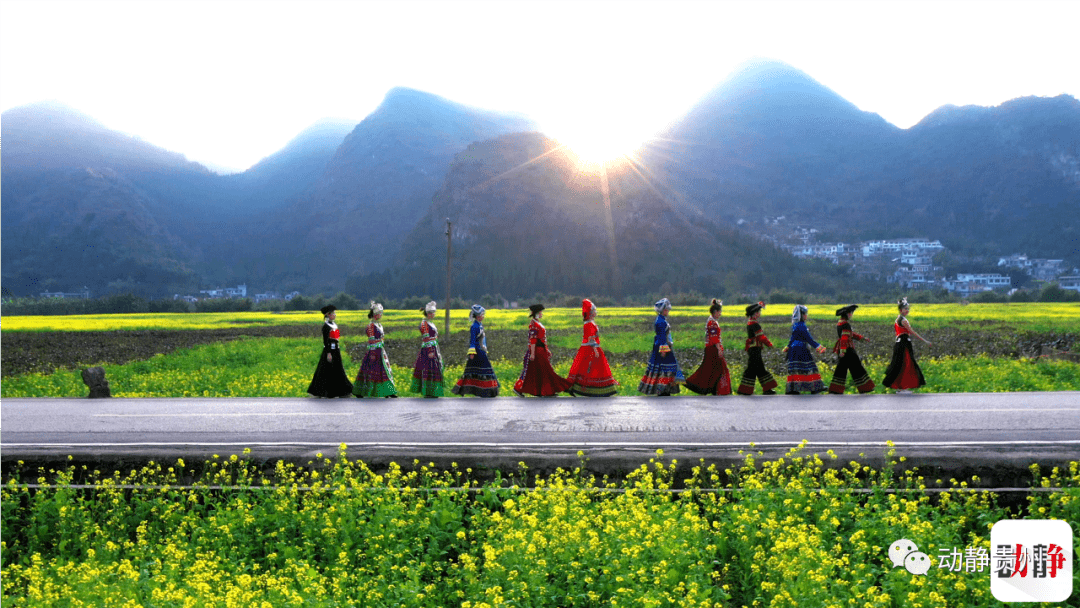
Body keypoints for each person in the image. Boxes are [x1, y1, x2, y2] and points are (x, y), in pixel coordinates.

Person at [513, 304, 573, 397]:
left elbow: (542, 339)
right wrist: (532, 353)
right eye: (540, 312)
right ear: (536, 313)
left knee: (540, 372)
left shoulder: (538, 323)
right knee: (543, 371)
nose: (542, 314)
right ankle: (523, 388)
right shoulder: (533, 324)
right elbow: (533, 340)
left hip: (541, 350)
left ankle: (544, 391)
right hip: (537, 351)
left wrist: (546, 349)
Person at [565, 298, 619, 397]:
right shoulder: (589, 324)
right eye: (594, 311)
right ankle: (591, 389)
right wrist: (595, 350)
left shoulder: (591, 322)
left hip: (592, 347)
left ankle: (592, 389)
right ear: (590, 312)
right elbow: (591, 338)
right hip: (590, 349)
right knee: (589, 368)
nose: (595, 312)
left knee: (589, 368)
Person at [638, 298, 686, 395]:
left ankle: (664, 389)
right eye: (666, 310)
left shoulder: (662, 320)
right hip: (663, 348)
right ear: (662, 310)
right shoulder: (661, 322)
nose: (668, 311)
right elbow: (662, 337)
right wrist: (663, 350)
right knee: (665, 368)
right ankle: (663, 389)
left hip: (664, 346)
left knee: (664, 368)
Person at [883, 297, 931, 393]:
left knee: (902, 365)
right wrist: (925, 341)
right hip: (903, 344)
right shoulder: (903, 320)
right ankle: (903, 387)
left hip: (901, 343)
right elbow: (912, 332)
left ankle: (901, 387)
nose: (907, 310)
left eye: (908, 309)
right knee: (906, 365)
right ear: (901, 310)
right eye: (905, 309)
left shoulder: (899, 319)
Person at [685, 298, 732, 395]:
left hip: (712, 348)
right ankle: (720, 390)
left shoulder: (712, 321)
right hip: (713, 349)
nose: (720, 314)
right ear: (715, 312)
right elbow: (714, 338)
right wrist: (719, 349)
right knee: (719, 369)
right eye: (719, 312)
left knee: (710, 370)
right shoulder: (712, 323)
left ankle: (714, 389)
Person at [451, 305, 500, 397]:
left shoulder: (480, 325)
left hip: (482, 351)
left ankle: (483, 391)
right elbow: (472, 341)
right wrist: (472, 353)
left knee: (478, 371)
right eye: (482, 315)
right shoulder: (474, 326)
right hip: (478, 352)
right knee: (484, 371)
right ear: (478, 316)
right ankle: (486, 391)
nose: (483, 316)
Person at [307, 304, 354, 398]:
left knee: (339, 371)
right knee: (325, 372)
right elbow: (326, 341)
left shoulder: (334, 325)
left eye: (335, 313)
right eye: (333, 313)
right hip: (329, 351)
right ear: (328, 315)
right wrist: (329, 353)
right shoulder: (326, 327)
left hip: (336, 350)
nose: (335, 315)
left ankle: (344, 391)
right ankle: (322, 391)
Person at [353, 301, 398, 398]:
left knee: (384, 371)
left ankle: (388, 391)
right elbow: (371, 340)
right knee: (370, 372)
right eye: (379, 313)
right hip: (373, 351)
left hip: (380, 351)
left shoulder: (379, 325)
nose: (381, 315)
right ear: (375, 314)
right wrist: (373, 351)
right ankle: (362, 391)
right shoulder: (370, 326)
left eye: (381, 313)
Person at [828, 304, 876, 394]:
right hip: (848, 350)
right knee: (857, 368)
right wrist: (843, 351)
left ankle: (835, 390)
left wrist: (862, 338)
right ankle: (865, 388)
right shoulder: (846, 324)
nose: (851, 315)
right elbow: (845, 338)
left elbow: (850, 334)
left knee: (841, 370)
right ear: (847, 314)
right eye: (851, 313)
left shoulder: (840, 323)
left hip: (843, 350)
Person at [782, 305, 828, 394]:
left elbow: (792, 338)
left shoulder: (795, 325)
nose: (806, 316)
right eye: (805, 314)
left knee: (796, 369)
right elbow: (809, 339)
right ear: (801, 315)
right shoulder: (802, 326)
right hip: (801, 349)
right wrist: (819, 347)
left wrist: (788, 346)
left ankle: (793, 389)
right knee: (810, 367)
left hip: (794, 350)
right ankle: (815, 387)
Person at [736, 301, 779, 395]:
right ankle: (745, 390)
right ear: (755, 313)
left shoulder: (751, 323)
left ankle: (763, 389)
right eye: (759, 312)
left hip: (754, 349)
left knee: (758, 369)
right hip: (755, 349)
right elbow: (761, 337)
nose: (760, 313)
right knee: (755, 369)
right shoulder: (754, 324)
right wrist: (770, 344)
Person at [410, 300, 444, 398]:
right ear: (428, 314)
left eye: (434, 313)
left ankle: (433, 391)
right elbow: (426, 338)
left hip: (433, 348)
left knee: (434, 369)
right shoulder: (424, 324)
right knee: (428, 370)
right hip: (428, 350)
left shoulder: (430, 323)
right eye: (432, 313)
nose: (433, 314)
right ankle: (428, 391)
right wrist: (430, 351)